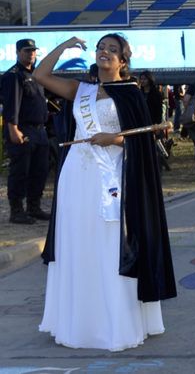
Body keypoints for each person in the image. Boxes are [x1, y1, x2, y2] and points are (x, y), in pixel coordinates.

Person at [35, 33, 174, 351]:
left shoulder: (130, 93)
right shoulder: (80, 90)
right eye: (101, 48)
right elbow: (41, 75)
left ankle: (114, 323)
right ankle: (79, 321)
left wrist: (114, 139)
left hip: (112, 176)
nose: (105, 52)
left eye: (113, 49)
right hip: (76, 177)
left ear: (123, 61)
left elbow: (141, 142)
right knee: (77, 242)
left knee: (109, 244)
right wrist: (63, 46)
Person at [2, 39, 50, 224]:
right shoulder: (13, 76)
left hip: (40, 131)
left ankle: (34, 207)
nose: (31, 54)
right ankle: (16, 211)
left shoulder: (37, 75)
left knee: (40, 171)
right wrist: (13, 129)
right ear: (18, 52)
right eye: (26, 51)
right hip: (22, 129)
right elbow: (11, 105)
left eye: (33, 51)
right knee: (20, 172)